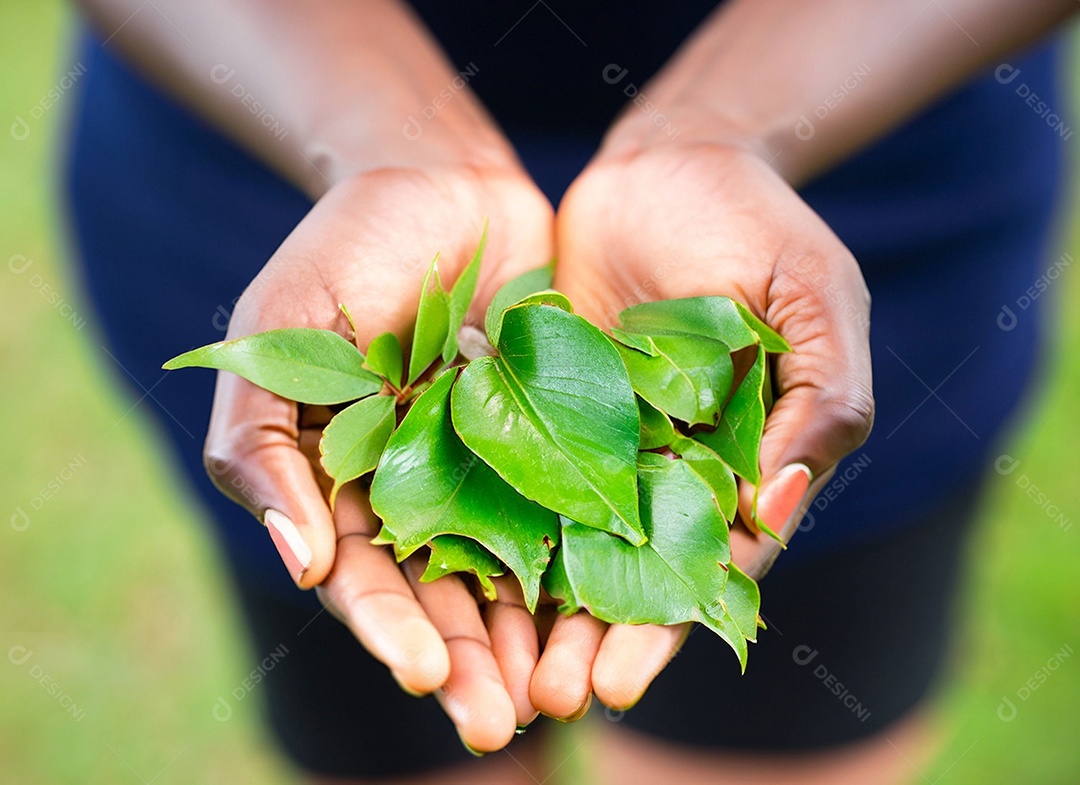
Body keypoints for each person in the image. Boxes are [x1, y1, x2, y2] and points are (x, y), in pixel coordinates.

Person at [66, 1, 1072, 782]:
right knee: (398, 710)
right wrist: (390, 145)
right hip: (302, 177)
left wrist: (718, 132)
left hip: (839, 155)